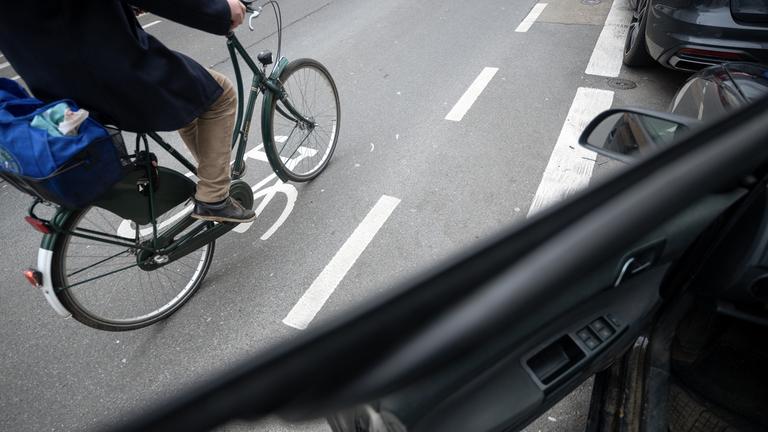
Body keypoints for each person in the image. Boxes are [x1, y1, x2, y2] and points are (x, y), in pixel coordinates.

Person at [0, 0, 257, 223]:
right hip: (117, 72)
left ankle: (213, 172)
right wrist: (221, 11)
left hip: (57, 92)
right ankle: (213, 196)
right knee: (220, 94)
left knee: (192, 96)